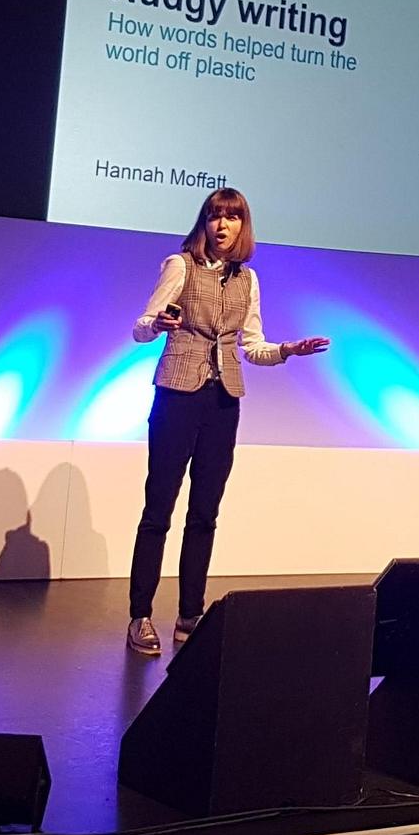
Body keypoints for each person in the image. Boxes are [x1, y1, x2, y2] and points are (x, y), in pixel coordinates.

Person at [127, 188, 328, 654]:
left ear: (242, 227)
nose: (223, 226)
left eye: (233, 218)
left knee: (205, 513)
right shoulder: (180, 265)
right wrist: (156, 325)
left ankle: (189, 615)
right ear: (205, 223)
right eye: (216, 217)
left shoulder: (248, 279)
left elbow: (251, 345)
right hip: (178, 395)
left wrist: (287, 351)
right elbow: (140, 326)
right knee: (158, 509)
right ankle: (140, 615)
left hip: (223, 402)